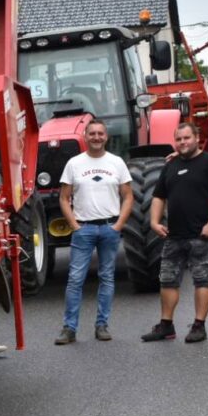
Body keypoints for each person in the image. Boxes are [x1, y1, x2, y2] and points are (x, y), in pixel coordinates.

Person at [141, 123, 208, 343]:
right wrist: (154, 221)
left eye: (186, 138)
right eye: (179, 139)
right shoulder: (170, 166)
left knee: (202, 280)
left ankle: (199, 326)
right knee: (167, 281)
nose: (182, 142)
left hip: (202, 235)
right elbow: (158, 196)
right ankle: (166, 325)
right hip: (173, 235)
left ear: (197, 137)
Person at [55, 118, 134, 344]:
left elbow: (128, 196)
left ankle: (102, 325)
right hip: (84, 229)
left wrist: (119, 224)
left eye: (100, 134)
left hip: (110, 227)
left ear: (106, 137)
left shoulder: (117, 163)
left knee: (107, 277)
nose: (97, 137)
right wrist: (74, 225)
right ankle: (69, 328)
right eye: (92, 134)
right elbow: (64, 197)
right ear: (85, 136)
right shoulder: (74, 163)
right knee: (75, 279)